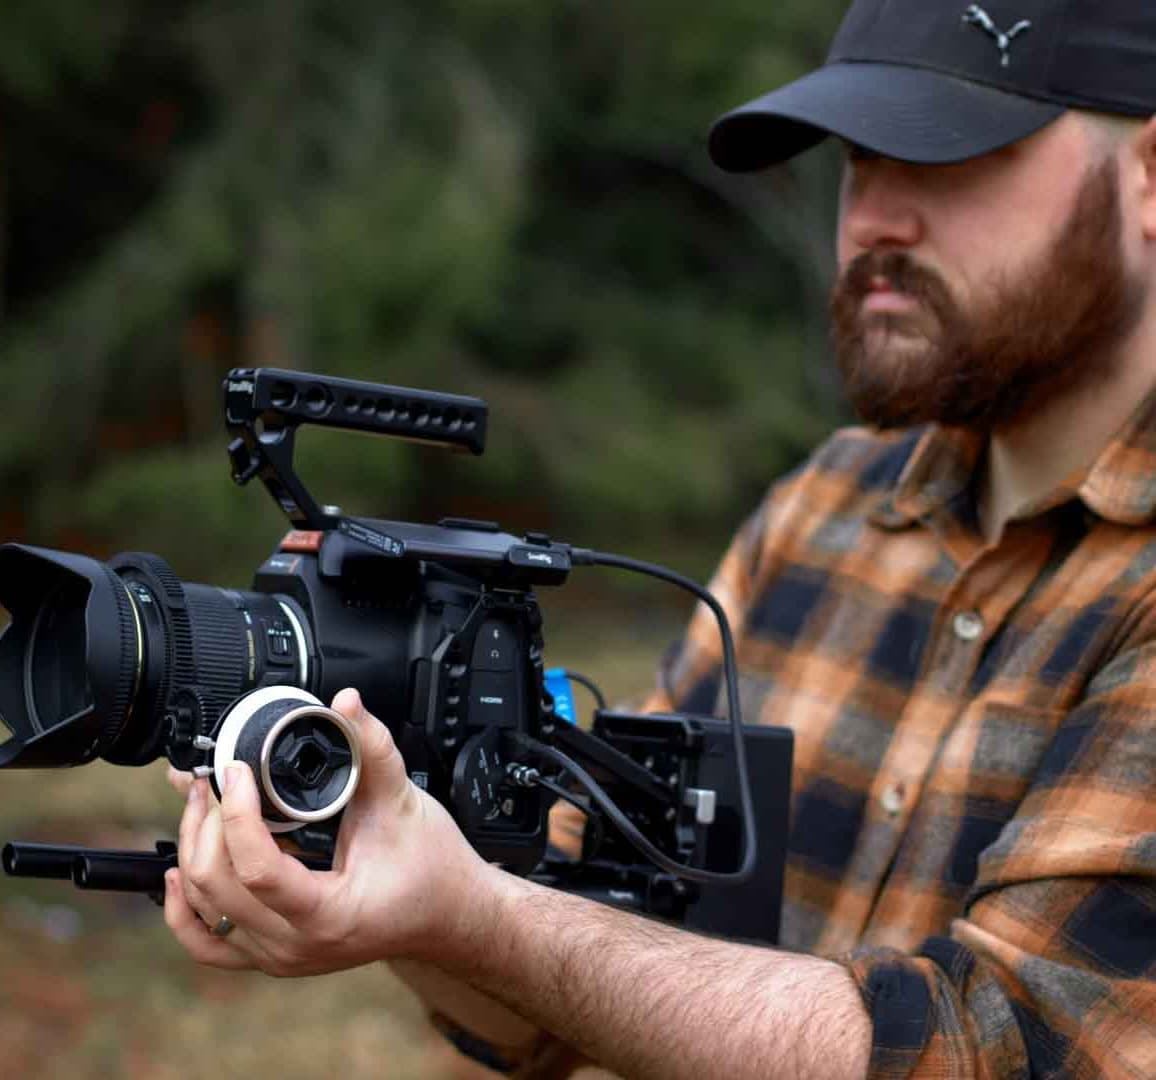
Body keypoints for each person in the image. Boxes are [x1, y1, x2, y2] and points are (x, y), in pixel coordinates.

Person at [163, 1, 1156, 1076]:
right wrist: (382, 879)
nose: (874, 221)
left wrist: (476, 916)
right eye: (858, 161)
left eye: (943, 154)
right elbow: (578, 955)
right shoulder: (825, 511)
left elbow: (1005, 1049)